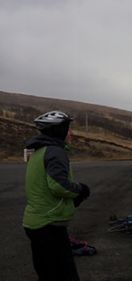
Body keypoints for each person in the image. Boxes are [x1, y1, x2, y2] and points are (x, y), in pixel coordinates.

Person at [23, 111, 89, 281]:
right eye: (68, 129)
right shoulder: (55, 151)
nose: (71, 133)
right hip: (48, 225)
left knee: (47, 274)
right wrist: (81, 189)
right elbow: (58, 185)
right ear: (58, 131)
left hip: (37, 222)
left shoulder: (39, 150)